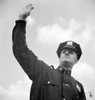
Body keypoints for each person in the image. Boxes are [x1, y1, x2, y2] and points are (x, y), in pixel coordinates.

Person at [12, 4, 86, 100]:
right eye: (64, 51)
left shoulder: (78, 86)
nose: (67, 53)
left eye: (71, 52)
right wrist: (21, 20)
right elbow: (20, 50)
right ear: (59, 56)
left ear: (76, 60)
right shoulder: (42, 71)